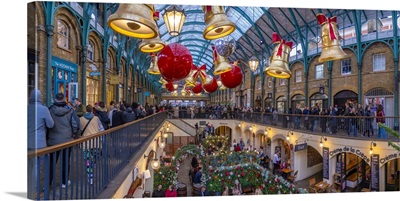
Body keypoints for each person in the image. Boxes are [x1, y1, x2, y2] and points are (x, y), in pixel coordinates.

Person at [47, 93, 80, 188]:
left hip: (53, 140)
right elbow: (75, 124)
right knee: (65, 161)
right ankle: (64, 181)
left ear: (55, 99)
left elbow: (47, 124)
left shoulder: (50, 110)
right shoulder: (70, 110)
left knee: (52, 162)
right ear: (64, 99)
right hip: (67, 140)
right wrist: (73, 134)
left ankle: (48, 182)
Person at [27, 89, 54, 199]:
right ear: (39, 97)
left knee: (29, 166)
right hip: (39, 143)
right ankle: (34, 190)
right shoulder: (43, 109)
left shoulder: (26, 108)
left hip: (27, 142)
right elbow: (51, 124)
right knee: (37, 167)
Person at [79, 104, 105, 184]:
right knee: (95, 157)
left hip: (85, 143)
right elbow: (101, 129)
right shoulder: (96, 118)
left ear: (86, 110)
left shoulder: (81, 119)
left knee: (88, 160)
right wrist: (102, 139)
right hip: (95, 142)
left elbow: (79, 130)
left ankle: (90, 176)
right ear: (92, 110)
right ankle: (93, 164)